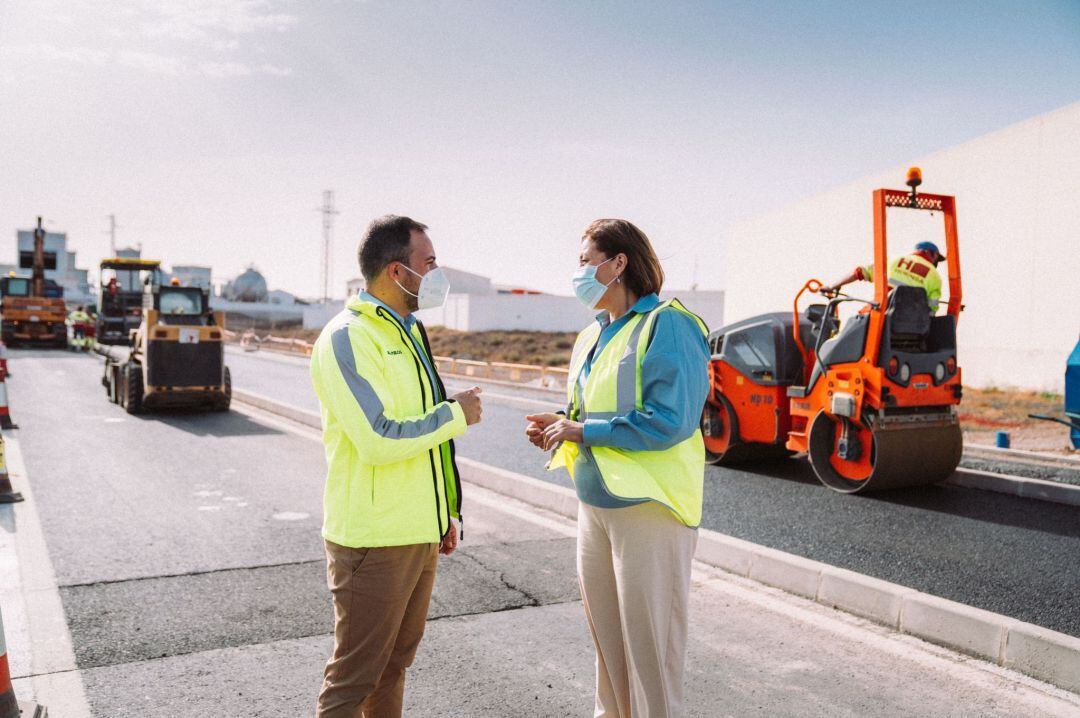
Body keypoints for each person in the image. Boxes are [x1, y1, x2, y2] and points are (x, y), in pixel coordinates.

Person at [524, 218, 710, 717]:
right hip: (595, 505)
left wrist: (584, 431)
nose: (579, 272)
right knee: (609, 649)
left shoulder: (668, 323)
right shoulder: (592, 335)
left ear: (618, 263)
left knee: (651, 652)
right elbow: (592, 412)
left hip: (649, 509)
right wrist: (561, 425)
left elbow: (673, 420)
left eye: (586, 261)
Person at [309, 215, 483, 718]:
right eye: (428, 263)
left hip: (417, 533)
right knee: (353, 679)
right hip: (372, 540)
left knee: (392, 669)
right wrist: (456, 414)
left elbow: (424, 438)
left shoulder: (408, 332)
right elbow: (379, 438)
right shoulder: (348, 337)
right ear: (396, 271)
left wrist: (444, 513)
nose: (436, 273)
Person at [822, 240, 946, 312]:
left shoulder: (893, 260)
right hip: (914, 326)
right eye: (936, 257)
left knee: (853, 326)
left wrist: (832, 286)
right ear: (927, 252)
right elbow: (932, 308)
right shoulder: (935, 277)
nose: (936, 262)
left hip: (881, 315)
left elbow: (859, 272)